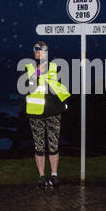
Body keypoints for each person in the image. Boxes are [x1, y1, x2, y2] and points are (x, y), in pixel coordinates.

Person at [23, 41, 71, 189]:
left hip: (53, 111)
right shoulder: (29, 68)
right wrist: (38, 72)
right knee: (39, 146)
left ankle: (54, 175)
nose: (39, 53)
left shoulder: (56, 68)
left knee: (53, 145)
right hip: (35, 112)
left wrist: (65, 102)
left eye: (42, 50)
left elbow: (62, 86)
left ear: (47, 52)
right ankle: (42, 176)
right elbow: (25, 86)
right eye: (36, 50)